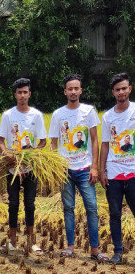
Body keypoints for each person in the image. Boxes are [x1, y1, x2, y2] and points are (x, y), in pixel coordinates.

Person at [49, 74, 103, 261]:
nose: (73, 91)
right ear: (65, 92)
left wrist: (94, 167)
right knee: (68, 208)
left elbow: (95, 140)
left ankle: (95, 249)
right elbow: (54, 144)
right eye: (69, 89)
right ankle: (70, 247)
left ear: (81, 90)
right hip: (65, 170)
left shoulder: (89, 111)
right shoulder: (58, 114)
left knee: (92, 208)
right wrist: (54, 168)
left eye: (76, 88)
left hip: (85, 169)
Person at [0, 78, 47, 256]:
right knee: (12, 204)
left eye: (25, 92)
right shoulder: (8, 115)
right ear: (15, 95)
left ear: (29, 94)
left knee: (30, 204)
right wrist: (6, 155)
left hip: (30, 168)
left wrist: (31, 155)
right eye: (19, 92)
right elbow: (1, 142)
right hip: (12, 169)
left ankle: (31, 241)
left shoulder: (36, 115)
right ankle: (12, 241)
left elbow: (42, 142)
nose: (22, 95)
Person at [100, 72, 134, 265]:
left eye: (124, 88)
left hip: (134, 173)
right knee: (115, 214)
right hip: (114, 173)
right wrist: (102, 170)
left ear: (129, 89)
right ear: (113, 92)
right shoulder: (108, 117)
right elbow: (105, 144)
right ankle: (118, 252)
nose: (121, 92)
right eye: (117, 89)